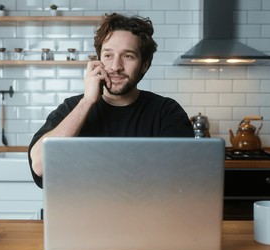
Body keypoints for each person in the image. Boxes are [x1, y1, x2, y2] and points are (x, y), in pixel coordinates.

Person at [28, 13, 194, 188]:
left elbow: (181, 180)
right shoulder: (72, 108)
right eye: (108, 55)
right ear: (98, 61)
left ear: (144, 64)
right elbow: (39, 166)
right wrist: (87, 102)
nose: (116, 66)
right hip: (82, 214)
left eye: (128, 56)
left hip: (148, 213)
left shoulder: (167, 112)